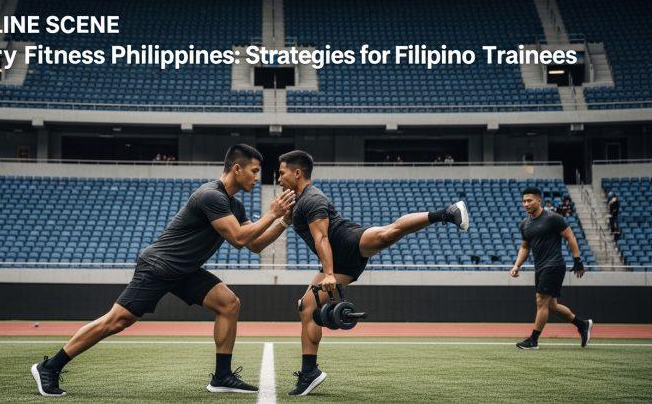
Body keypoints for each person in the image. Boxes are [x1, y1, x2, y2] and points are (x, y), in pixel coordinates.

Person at [30, 144, 296, 397]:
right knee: (116, 321)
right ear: (237, 169)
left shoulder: (234, 205)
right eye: (254, 171)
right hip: (159, 266)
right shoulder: (211, 195)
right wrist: (272, 213)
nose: (257, 178)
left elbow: (254, 244)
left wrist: (284, 220)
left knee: (228, 303)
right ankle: (49, 367)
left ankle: (222, 377)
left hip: (184, 270)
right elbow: (238, 238)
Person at [276, 150, 469, 396]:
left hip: (347, 242)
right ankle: (309, 372)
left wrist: (329, 273)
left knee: (388, 233)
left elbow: (321, 238)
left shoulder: (312, 199)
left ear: (297, 173)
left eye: (281, 173)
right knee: (307, 307)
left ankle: (447, 213)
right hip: (339, 261)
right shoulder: (298, 201)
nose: (279, 179)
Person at [509, 187, 593, 350]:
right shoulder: (525, 224)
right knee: (552, 306)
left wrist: (577, 259)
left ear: (539, 200)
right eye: (524, 201)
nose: (526, 204)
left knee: (541, 300)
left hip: (554, 265)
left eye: (529, 200)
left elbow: (569, 236)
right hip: (540, 267)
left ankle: (533, 340)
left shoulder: (553, 218)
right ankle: (582, 325)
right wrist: (517, 265)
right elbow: (525, 247)